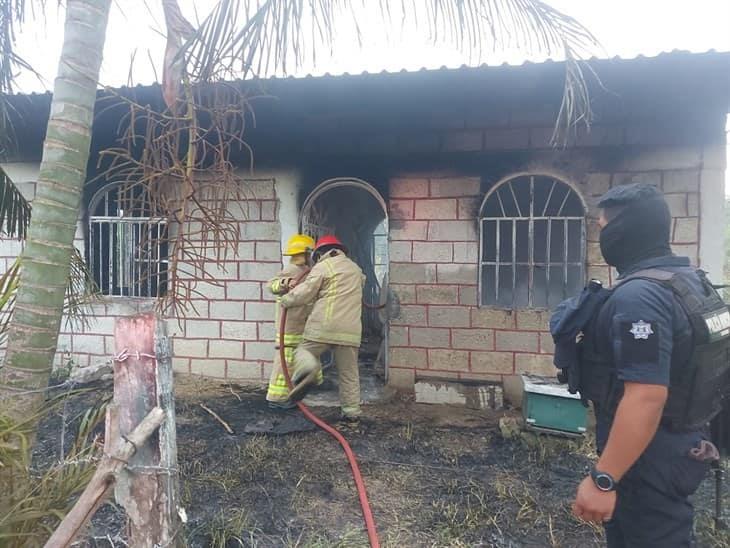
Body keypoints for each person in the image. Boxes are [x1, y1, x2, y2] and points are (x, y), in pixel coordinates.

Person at [566, 183, 726, 547]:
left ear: (625, 230)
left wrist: (603, 478)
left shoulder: (641, 296)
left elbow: (646, 397)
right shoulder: (689, 282)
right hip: (680, 442)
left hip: (649, 459)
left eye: (603, 226)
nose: (600, 234)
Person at [280, 234, 366, 423]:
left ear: (320, 253)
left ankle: (309, 368)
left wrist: (287, 300)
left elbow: (306, 292)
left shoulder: (323, 267)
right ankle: (351, 412)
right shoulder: (356, 269)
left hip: (324, 326)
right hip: (350, 330)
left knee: (304, 351)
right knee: (349, 372)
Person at [265, 234, 323, 410]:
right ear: (305, 253)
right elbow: (271, 285)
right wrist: (285, 283)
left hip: (302, 323)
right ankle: (276, 398)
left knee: (309, 353)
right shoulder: (292, 270)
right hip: (289, 327)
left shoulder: (308, 271)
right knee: (286, 361)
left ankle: (314, 381)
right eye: (311, 252)